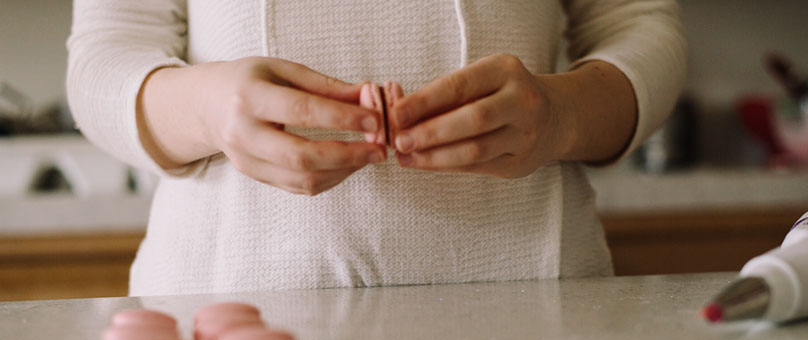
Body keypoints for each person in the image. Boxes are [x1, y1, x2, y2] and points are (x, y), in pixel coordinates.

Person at [67, 0, 686, 296]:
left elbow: (639, 24)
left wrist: (562, 115)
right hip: (223, 326)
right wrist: (205, 107)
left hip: (539, 307)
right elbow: (104, 57)